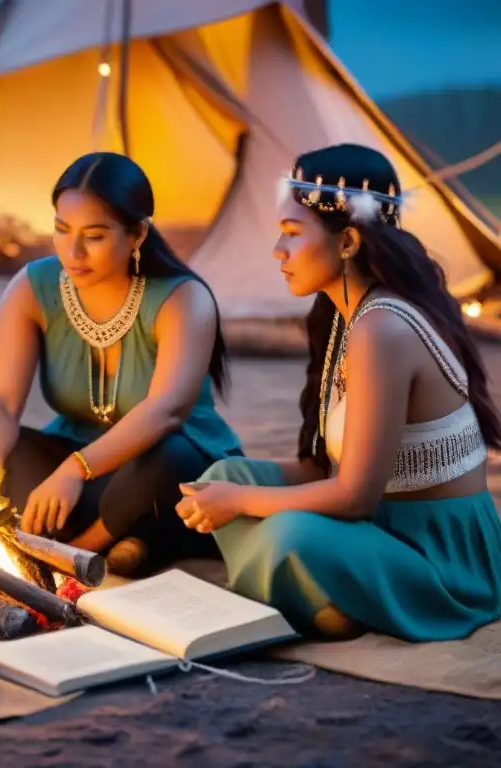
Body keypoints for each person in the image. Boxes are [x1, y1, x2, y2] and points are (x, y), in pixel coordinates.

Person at [177, 143, 501, 641]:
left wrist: (241, 500)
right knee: (223, 473)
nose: (277, 251)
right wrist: (232, 487)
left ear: (347, 241)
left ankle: (320, 596)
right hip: (380, 528)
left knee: (288, 532)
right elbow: (319, 468)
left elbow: (353, 497)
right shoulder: (342, 317)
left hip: (437, 557)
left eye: (290, 233)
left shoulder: (383, 329)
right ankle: (325, 599)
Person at [0, 152, 243, 576]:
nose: (72, 251)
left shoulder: (183, 299)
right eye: (62, 230)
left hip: (165, 471)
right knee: (0, 452)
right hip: (81, 468)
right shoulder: (31, 287)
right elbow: (2, 405)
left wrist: (76, 469)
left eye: (94, 236)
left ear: (136, 233)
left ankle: (78, 553)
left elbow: (166, 411)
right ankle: (131, 543)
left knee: (166, 462)